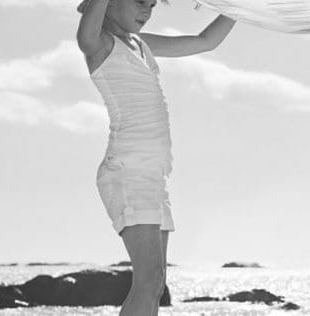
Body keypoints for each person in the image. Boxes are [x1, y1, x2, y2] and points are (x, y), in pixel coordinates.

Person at [75, 0, 235, 314]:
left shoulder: (141, 44)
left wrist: (240, 9)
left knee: (156, 283)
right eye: (139, 1)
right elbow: (85, 37)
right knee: (148, 282)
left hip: (153, 176)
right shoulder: (100, 44)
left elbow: (206, 41)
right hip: (127, 171)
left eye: (152, 5)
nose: (147, 11)